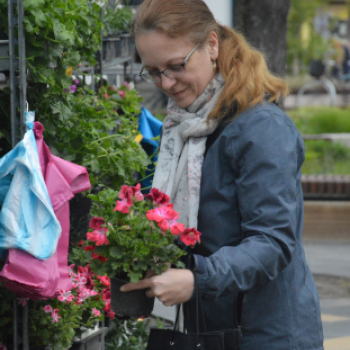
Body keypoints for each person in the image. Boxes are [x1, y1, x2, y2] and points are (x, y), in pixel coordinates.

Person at [121, 0, 324, 349]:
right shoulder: (183, 128)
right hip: (214, 331)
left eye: (176, 65)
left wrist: (196, 278)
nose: (166, 83)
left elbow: (273, 242)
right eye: (153, 71)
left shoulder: (260, 128)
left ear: (212, 45)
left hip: (268, 337)